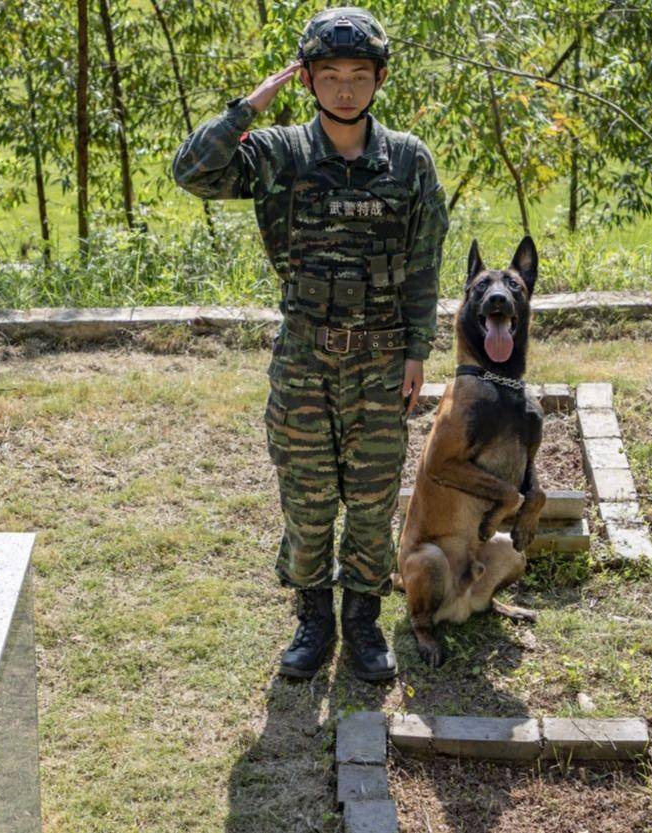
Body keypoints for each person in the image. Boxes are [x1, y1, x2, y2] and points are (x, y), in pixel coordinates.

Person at [172, 7, 447, 681]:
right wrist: (253, 101)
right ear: (308, 81)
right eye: (328, 76)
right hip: (304, 356)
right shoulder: (278, 154)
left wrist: (417, 351)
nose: (344, 90)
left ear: (380, 79)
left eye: (358, 75)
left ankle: (362, 621)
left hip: (381, 356)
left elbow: (423, 263)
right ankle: (312, 616)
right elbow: (192, 170)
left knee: (373, 494)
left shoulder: (407, 160)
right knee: (307, 494)